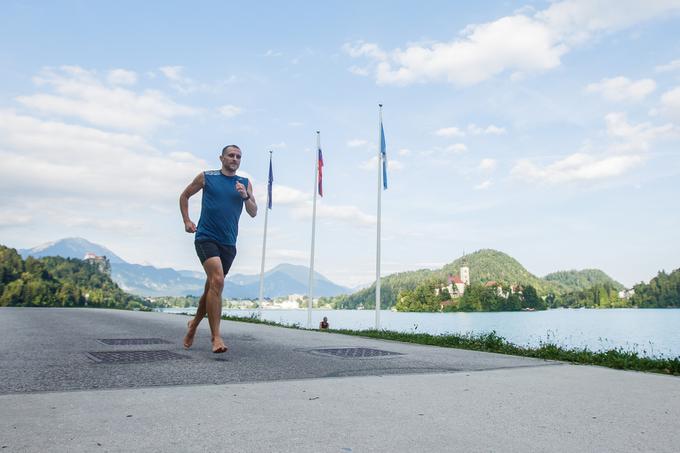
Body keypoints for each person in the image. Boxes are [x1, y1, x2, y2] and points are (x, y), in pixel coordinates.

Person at [179, 144, 257, 353]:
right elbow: (184, 196)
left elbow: (253, 212)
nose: (235, 159)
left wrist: (245, 196)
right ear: (221, 158)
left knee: (212, 287)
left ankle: (193, 324)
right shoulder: (207, 177)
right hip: (206, 237)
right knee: (218, 281)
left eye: (238, 156)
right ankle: (216, 338)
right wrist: (187, 220)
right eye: (231, 155)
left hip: (229, 243)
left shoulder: (244, 183)